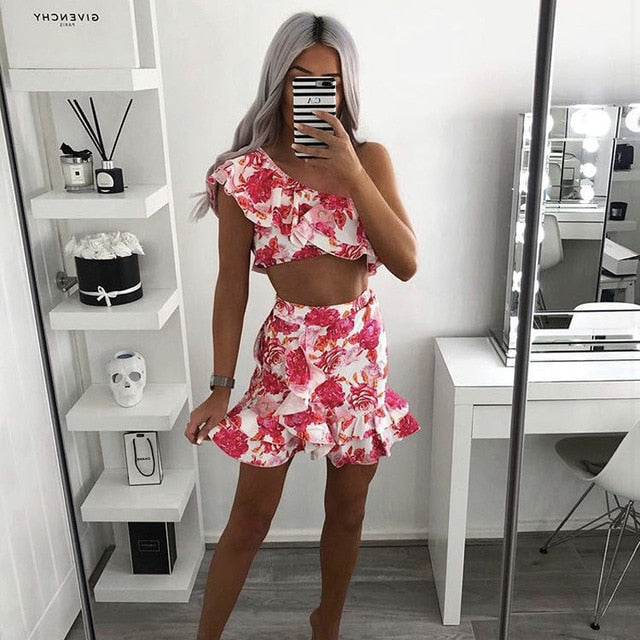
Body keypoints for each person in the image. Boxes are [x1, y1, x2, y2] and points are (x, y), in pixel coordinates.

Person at [185, 11, 420, 640]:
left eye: (329, 81)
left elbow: (406, 263)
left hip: (359, 357)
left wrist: (352, 176)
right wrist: (219, 386)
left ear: (345, 87)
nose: (315, 92)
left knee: (348, 510)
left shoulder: (370, 159)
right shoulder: (245, 176)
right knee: (250, 517)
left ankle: (327, 625)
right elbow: (231, 286)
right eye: (300, 77)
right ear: (278, 80)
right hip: (287, 356)